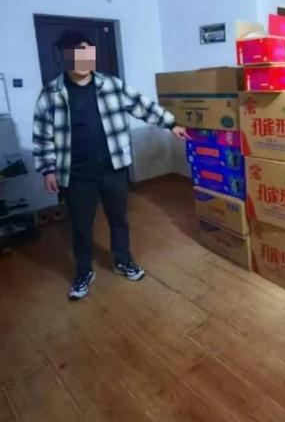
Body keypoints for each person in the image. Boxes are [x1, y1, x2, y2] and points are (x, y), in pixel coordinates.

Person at [32, 31, 189, 300]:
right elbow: (42, 134)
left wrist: (171, 123)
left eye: (86, 52)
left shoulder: (112, 85)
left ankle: (123, 260)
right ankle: (84, 271)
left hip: (112, 167)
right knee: (80, 226)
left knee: (119, 219)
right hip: (76, 173)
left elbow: (142, 105)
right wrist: (48, 169)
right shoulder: (51, 93)